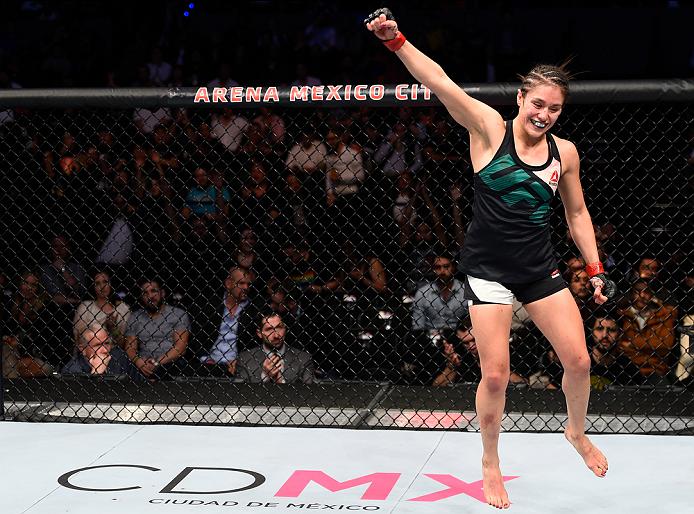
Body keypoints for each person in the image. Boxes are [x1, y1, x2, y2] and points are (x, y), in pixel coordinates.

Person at [365, 8, 616, 508]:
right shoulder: (487, 128)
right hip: (488, 273)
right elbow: (440, 82)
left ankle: (576, 432)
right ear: (521, 98)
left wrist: (594, 267)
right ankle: (490, 462)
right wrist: (396, 42)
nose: (544, 114)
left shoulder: (564, 153)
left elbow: (579, 212)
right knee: (496, 374)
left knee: (580, 360)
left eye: (555, 108)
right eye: (537, 103)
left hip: (539, 270)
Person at [124, 278, 191, 380]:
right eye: (145, 293)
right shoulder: (135, 317)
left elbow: (180, 348)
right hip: (143, 360)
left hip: (170, 360)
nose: (150, 296)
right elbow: (130, 347)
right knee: (129, 366)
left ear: (162, 293)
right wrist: (138, 361)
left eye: (153, 291)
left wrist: (157, 362)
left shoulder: (178, 314)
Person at [235, 312, 315, 384]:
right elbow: (240, 394)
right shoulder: (244, 359)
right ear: (259, 333)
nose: (276, 335)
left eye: (279, 328)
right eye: (269, 330)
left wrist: (280, 382)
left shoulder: (304, 359)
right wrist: (265, 377)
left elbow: (308, 395)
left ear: (285, 329)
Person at [73, 271, 131, 349]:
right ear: (93, 286)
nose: (102, 286)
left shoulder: (123, 308)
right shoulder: (85, 307)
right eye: (97, 283)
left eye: (105, 282)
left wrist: (113, 329)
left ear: (111, 284)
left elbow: (125, 344)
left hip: (115, 352)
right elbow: (78, 338)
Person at [62, 326, 141, 379]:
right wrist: (96, 373)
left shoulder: (119, 356)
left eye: (106, 343)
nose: (105, 350)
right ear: (82, 349)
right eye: (98, 345)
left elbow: (139, 382)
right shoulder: (71, 371)